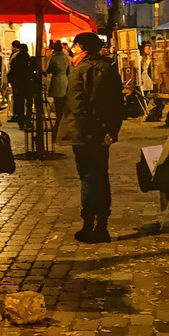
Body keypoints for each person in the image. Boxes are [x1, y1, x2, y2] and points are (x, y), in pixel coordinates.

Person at [56, 32, 125, 243]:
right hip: (103, 132)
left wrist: (84, 129)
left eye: (75, 45)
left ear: (83, 47)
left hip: (84, 133)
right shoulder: (109, 67)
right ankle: (102, 226)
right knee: (101, 176)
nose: (73, 49)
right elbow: (117, 103)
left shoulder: (80, 70)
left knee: (88, 177)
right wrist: (111, 129)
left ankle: (88, 226)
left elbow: (76, 105)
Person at [8, 41, 36, 128]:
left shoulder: (16, 60)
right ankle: (28, 120)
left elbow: (12, 72)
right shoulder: (30, 60)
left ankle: (21, 121)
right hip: (28, 83)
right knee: (29, 103)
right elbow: (33, 71)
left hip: (19, 84)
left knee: (20, 103)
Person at [45, 40, 72, 122]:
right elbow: (69, 70)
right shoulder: (66, 58)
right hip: (65, 80)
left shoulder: (54, 58)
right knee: (63, 101)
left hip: (56, 80)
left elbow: (49, 70)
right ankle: (63, 117)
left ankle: (59, 117)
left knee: (57, 102)